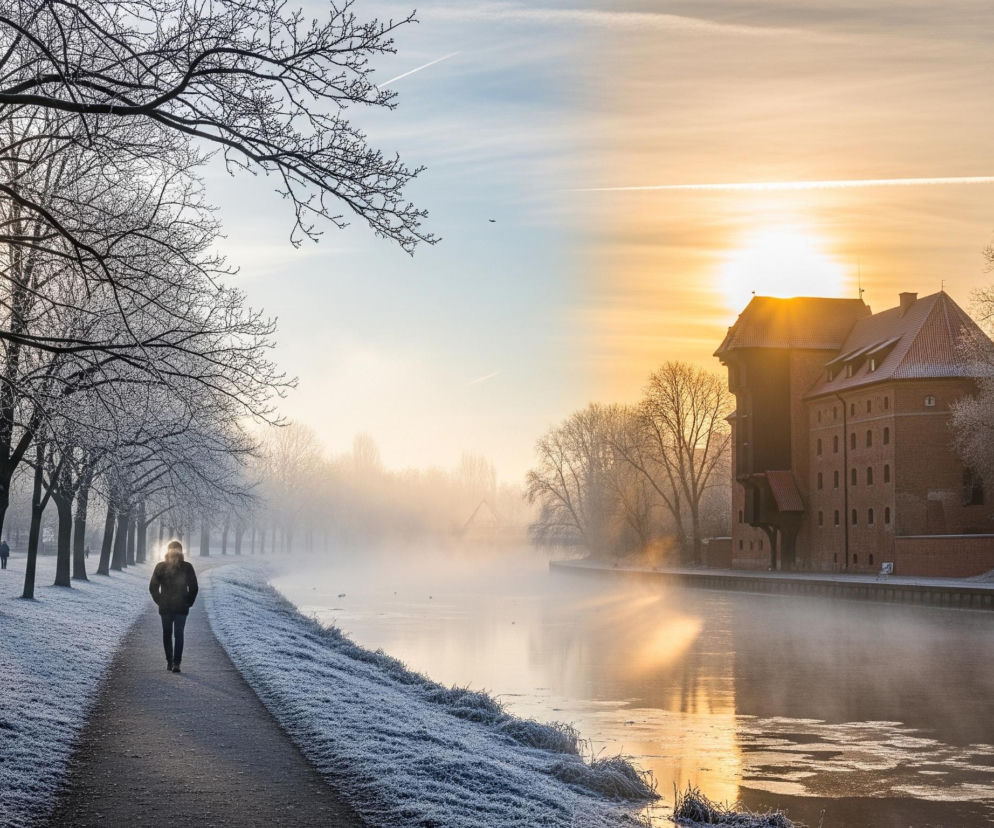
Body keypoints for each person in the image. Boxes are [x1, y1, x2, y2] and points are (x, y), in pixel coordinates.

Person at [148, 541, 199, 673]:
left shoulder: (187, 567)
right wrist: (160, 601)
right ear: (168, 551)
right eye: (172, 550)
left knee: (179, 634)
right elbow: (153, 587)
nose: (174, 553)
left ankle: (177, 663)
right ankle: (169, 661)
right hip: (166, 607)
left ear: (181, 552)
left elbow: (194, 587)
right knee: (167, 634)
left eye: (177, 550)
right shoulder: (160, 567)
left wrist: (188, 602)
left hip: (181, 608)